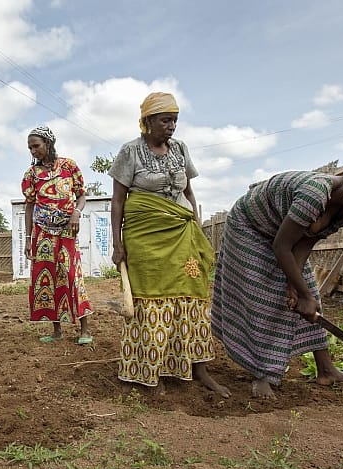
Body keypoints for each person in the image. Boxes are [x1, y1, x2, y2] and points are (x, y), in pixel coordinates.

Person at [210, 149, 343, 399]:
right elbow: (281, 247)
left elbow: (304, 243)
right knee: (264, 297)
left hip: (281, 237)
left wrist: (299, 289)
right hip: (249, 228)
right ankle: (262, 373)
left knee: (310, 293)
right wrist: (295, 291)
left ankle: (326, 370)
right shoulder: (314, 193)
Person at [109, 92, 229, 397]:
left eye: (175, 120)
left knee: (193, 294)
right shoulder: (130, 152)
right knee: (150, 302)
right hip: (145, 238)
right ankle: (152, 371)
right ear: (148, 121)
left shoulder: (180, 149)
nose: (171, 126)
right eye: (165, 120)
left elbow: (189, 192)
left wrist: (197, 225)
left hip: (182, 231)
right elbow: (118, 202)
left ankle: (197, 368)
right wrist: (117, 243)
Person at [22, 126, 94, 344]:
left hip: (67, 230)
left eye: (36, 146)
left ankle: (84, 330)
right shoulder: (32, 174)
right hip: (43, 233)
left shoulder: (69, 166)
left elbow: (81, 196)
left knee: (71, 275)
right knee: (47, 278)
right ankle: (56, 331)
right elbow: (29, 206)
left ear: (48, 143)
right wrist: (28, 238)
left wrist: (76, 213)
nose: (33, 151)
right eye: (30, 148)